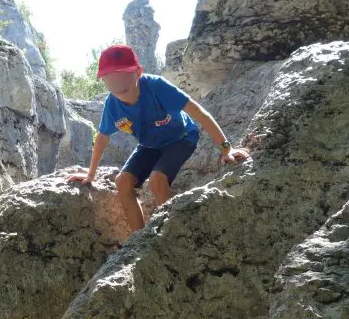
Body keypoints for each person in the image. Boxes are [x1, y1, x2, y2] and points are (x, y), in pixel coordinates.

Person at [67, 44, 250, 234]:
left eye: (122, 76)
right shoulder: (112, 105)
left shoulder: (157, 87)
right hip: (149, 145)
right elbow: (103, 138)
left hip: (181, 137)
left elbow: (199, 113)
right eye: (110, 78)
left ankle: (176, 233)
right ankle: (139, 240)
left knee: (157, 180)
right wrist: (90, 175)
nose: (117, 84)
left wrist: (226, 149)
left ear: (137, 72)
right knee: (122, 182)